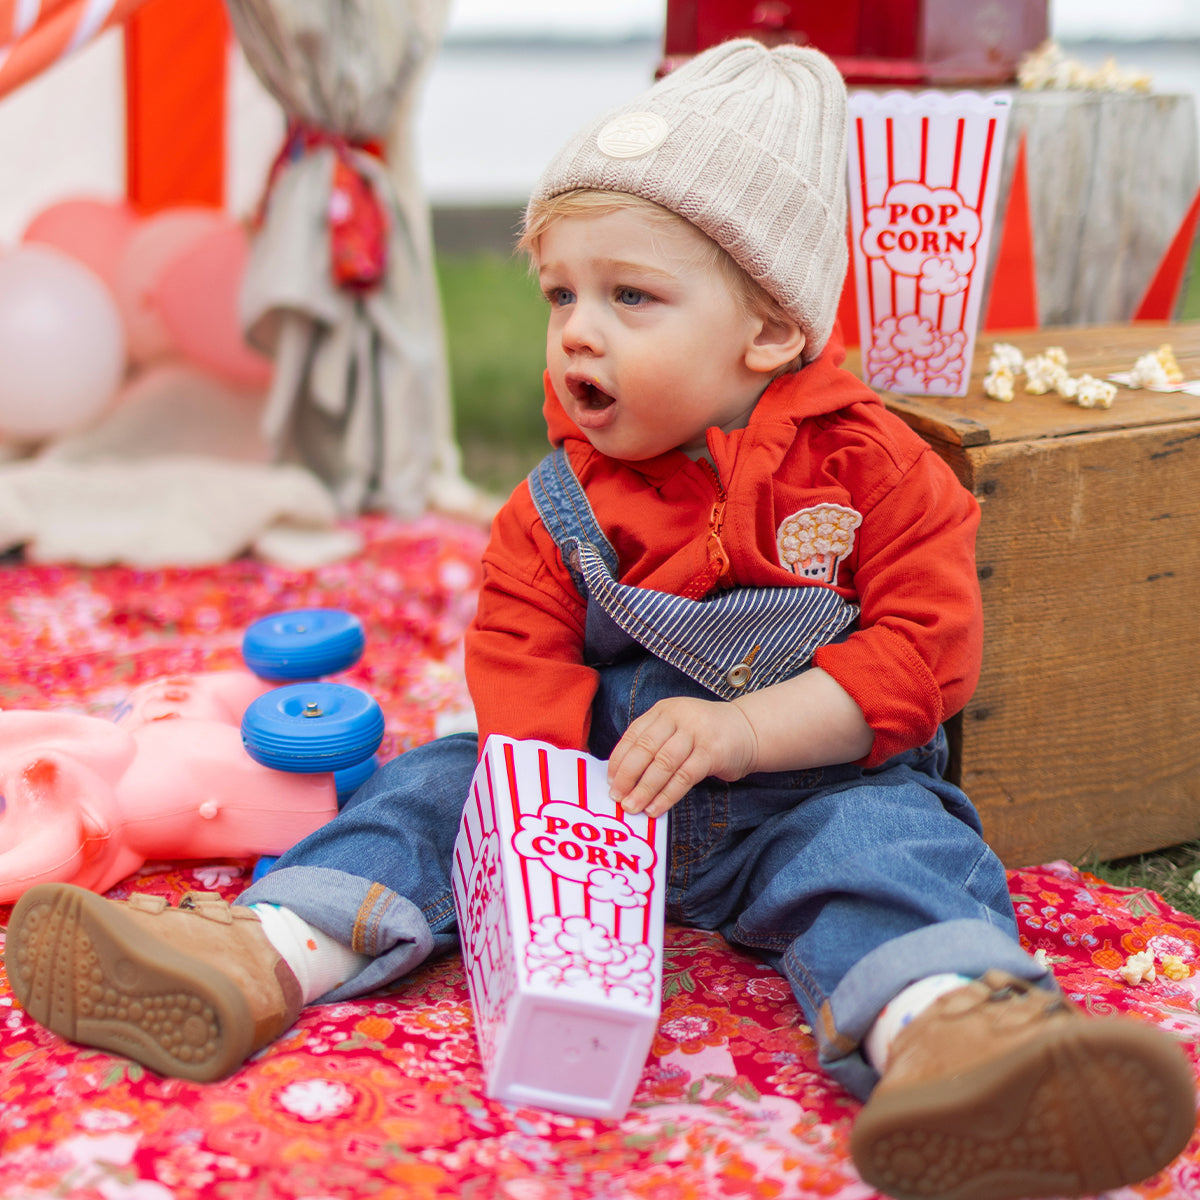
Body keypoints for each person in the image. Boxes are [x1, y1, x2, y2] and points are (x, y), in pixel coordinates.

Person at [6, 39, 1195, 1200]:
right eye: (562, 292)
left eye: (631, 296)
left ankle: (958, 1043)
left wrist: (746, 734)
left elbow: (922, 655)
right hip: (595, 800)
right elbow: (515, 647)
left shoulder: (876, 475)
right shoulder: (561, 501)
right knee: (430, 787)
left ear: (771, 331)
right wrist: (548, 803)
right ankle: (261, 951)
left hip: (810, 795)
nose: (579, 328)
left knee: (897, 855)